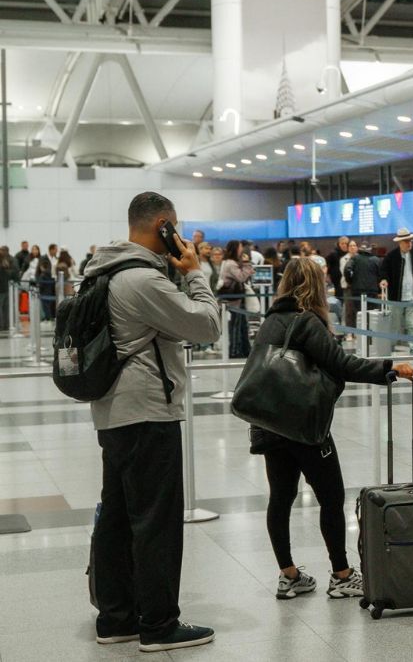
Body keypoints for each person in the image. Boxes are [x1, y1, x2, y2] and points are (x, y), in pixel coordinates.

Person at [86, 191, 221, 652]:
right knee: (156, 522)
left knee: (118, 518)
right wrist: (196, 275)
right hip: (147, 412)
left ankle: (116, 618)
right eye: (175, 226)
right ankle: (159, 625)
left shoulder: (102, 272)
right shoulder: (142, 280)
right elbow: (206, 326)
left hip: (111, 412)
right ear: (163, 224)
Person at [249, 258, 413, 600]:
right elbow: (342, 364)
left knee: (281, 498)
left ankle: (289, 574)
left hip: (269, 422)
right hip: (304, 426)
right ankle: (341, 574)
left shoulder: (270, 321)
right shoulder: (307, 322)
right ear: (314, 286)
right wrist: (389, 368)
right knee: (331, 497)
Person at [380, 229, 413, 356]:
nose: (409, 244)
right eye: (406, 241)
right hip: (395, 297)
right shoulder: (391, 256)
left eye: (410, 241)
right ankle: (390, 351)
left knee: (412, 325)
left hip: (411, 297)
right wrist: (383, 279)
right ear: (400, 242)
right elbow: (383, 271)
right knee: (394, 326)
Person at [219, 240, 254, 358]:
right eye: (240, 248)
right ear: (235, 249)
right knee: (235, 326)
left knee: (243, 326)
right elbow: (241, 277)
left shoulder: (230, 262)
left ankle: (245, 349)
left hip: (237, 299)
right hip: (234, 301)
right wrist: (246, 264)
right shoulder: (231, 264)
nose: (242, 250)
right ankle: (234, 351)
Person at [0, 246, 18, 331]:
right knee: (5, 307)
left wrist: (6, 271)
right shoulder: (6, 261)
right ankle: (4, 324)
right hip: (5, 287)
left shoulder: (11, 260)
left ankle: (5, 325)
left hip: (6, 287)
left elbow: (14, 273)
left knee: (6, 307)